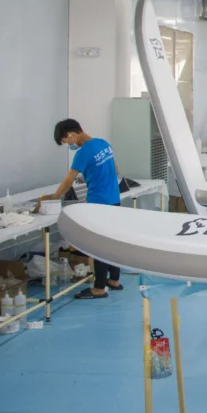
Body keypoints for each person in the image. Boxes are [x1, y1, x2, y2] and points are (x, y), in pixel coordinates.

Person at [42, 119, 123, 299]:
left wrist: (54, 197)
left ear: (71, 135)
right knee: (113, 242)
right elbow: (115, 169)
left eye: (65, 142)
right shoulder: (103, 143)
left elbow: (68, 180)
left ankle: (99, 288)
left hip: (98, 203)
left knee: (99, 246)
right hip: (114, 200)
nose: (68, 145)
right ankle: (114, 280)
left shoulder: (82, 153)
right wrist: (94, 177)